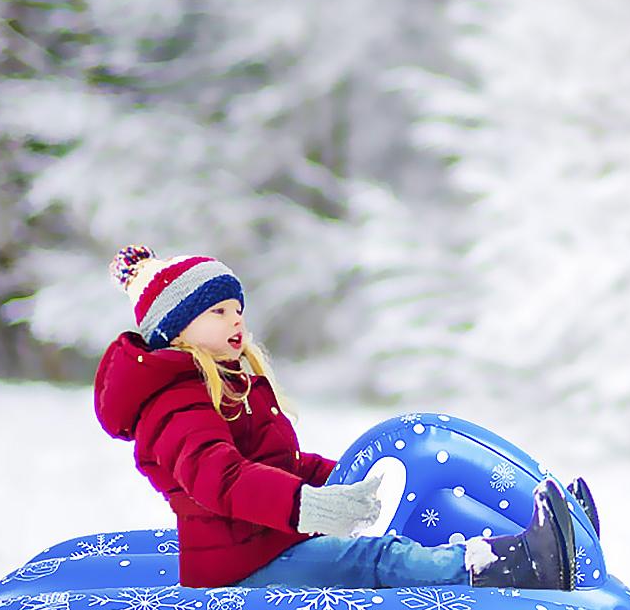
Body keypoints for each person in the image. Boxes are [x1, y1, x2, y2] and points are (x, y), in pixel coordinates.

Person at [95, 245, 577, 592]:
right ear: (176, 328)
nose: (236, 319)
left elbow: (279, 462)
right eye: (218, 311)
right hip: (240, 566)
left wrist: (347, 480)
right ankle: (516, 564)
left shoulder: (228, 381)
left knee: (397, 528)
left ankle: (537, 532)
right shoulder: (174, 401)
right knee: (376, 557)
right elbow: (219, 480)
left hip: (271, 542)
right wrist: (308, 505)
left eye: (238, 308)